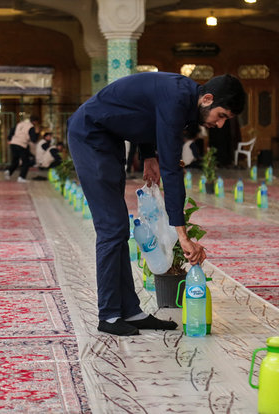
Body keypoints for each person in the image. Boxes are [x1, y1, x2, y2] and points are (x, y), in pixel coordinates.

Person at [67, 72, 246, 336]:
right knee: (111, 228)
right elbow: (172, 172)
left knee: (117, 228)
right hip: (90, 136)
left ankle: (130, 311)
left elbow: (144, 113)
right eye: (221, 116)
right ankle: (109, 315)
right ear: (207, 99)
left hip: (109, 138)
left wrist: (149, 155)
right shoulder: (177, 100)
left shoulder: (185, 100)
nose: (219, 124)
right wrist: (182, 236)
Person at [5, 114, 40, 182]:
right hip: (21, 144)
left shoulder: (20, 123)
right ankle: (21, 177)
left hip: (13, 143)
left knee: (15, 160)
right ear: (35, 121)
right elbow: (34, 140)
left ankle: (9, 171)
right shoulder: (31, 127)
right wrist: (37, 133)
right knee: (26, 162)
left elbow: (12, 130)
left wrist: (9, 139)